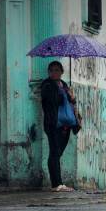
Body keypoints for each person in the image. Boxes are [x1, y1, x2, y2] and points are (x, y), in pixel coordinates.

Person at [41, 61, 80, 192]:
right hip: (53, 124)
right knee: (54, 152)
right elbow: (51, 101)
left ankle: (58, 183)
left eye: (57, 70)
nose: (54, 72)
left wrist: (71, 97)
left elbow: (71, 102)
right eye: (51, 70)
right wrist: (61, 93)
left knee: (58, 153)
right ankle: (56, 184)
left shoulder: (63, 84)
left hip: (65, 125)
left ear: (62, 72)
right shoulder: (47, 84)